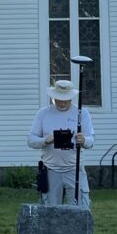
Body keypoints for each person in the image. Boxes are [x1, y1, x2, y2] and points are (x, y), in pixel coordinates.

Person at [27, 78, 94, 210]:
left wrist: (84, 140)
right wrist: (44, 140)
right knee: (50, 211)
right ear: (53, 97)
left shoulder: (82, 114)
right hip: (50, 169)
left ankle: (77, 231)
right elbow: (30, 140)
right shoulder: (43, 113)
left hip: (74, 169)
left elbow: (91, 140)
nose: (62, 103)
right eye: (59, 100)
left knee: (80, 210)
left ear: (71, 98)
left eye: (66, 100)